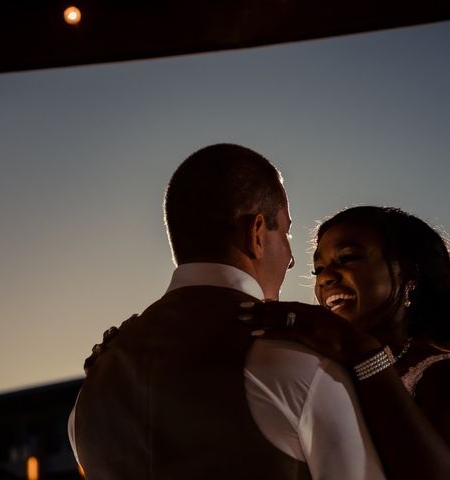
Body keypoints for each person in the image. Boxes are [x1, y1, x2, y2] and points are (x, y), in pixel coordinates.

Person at [68, 145, 386, 479]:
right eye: (287, 231)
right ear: (256, 234)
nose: (292, 258)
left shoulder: (90, 393)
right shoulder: (299, 364)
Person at [241, 206, 450, 480]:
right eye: (319, 269)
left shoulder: (449, 375)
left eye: (347, 258)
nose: (326, 277)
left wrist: (362, 353)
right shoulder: (328, 359)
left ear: (409, 273)